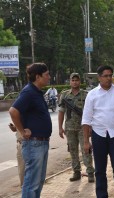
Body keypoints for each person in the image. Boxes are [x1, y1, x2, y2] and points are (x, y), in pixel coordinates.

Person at [82, 65, 114, 198]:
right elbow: (86, 120)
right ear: (99, 78)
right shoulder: (92, 95)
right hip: (98, 136)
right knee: (100, 170)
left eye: (111, 75)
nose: (109, 78)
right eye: (106, 76)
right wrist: (86, 142)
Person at [9, 62, 52, 198]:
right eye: (47, 75)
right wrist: (22, 131)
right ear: (38, 77)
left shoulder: (36, 92)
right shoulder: (29, 92)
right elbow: (13, 111)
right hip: (34, 144)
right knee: (32, 182)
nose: (49, 77)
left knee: (38, 181)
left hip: (41, 143)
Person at [58, 73, 95, 182]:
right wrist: (60, 128)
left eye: (77, 80)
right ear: (70, 81)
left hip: (83, 128)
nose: (75, 82)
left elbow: (91, 112)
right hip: (69, 129)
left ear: (80, 81)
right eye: (73, 80)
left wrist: (91, 127)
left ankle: (90, 172)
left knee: (86, 150)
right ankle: (76, 172)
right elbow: (61, 112)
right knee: (73, 151)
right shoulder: (64, 95)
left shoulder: (86, 95)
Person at [8, 123, 25, 187]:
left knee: (24, 168)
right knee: (22, 168)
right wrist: (13, 127)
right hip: (20, 143)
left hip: (26, 143)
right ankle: (24, 188)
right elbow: (16, 129)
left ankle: (25, 188)